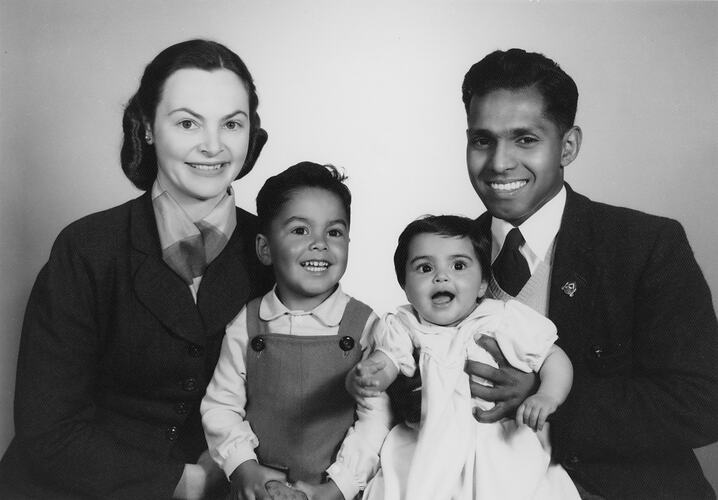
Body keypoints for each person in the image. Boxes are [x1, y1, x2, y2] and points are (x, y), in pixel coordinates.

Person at [0, 39, 273, 499]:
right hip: (77, 488)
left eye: (231, 124)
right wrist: (183, 484)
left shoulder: (274, 249)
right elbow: (46, 429)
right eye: (187, 122)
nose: (212, 145)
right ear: (147, 128)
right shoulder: (87, 248)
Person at [458, 49, 718, 499]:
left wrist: (547, 399)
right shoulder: (447, 253)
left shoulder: (644, 244)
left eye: (525, 139)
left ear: (569, 145)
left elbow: (702, 401)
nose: (499, 163)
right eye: (483, 140)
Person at [348, 215, 578, 500]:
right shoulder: (404, 326)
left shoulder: (501, 318)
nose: (441, 276)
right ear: (405, 287)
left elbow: (552, 356)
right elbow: (388, 360)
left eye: (458, 266)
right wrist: (372, 375)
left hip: (498, 446)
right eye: (424, 267)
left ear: (482, 284)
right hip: (427, 445)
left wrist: (548, 396)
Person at [200, 162, 392, 500]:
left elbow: (374, 421)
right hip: (259, 489)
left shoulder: (366, 326)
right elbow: (221, 405)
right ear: (265, 248)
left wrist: (340, 486)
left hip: (331, 490)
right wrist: (242, 466)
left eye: (333, 232)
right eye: (300, 230)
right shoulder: (246, 324)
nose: (319, 244)